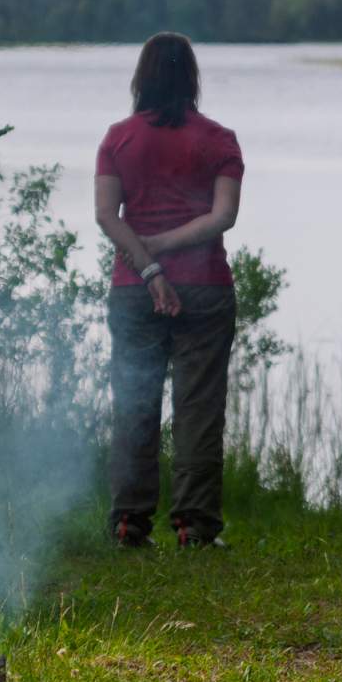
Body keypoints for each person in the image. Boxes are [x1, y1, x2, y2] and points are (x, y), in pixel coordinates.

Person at [93, 32, 244, 549]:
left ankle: (130, 523)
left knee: (134, 402)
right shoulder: (220, 139)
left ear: (143, 78)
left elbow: (105, 217)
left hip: (133, 287)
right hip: (204, 288)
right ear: (191, 78)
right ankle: (195, 527)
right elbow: (224, 216)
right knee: (199, 408)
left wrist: (147, 258)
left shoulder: (118, 138)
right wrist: (165, 251)